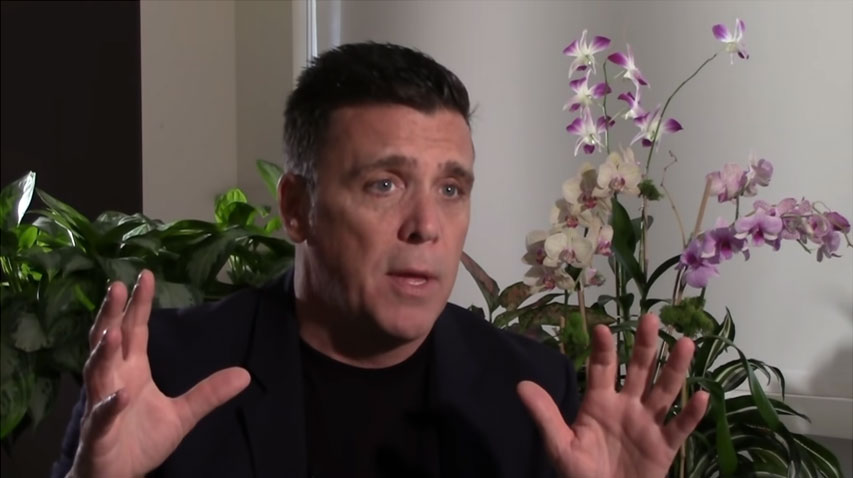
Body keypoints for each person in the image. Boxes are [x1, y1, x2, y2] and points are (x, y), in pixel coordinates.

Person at [52, 42, 708, 478]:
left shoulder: (528, 390)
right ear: (296, 206)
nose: (426, 226)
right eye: (383, 184)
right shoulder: (170, 369)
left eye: (450, 189)